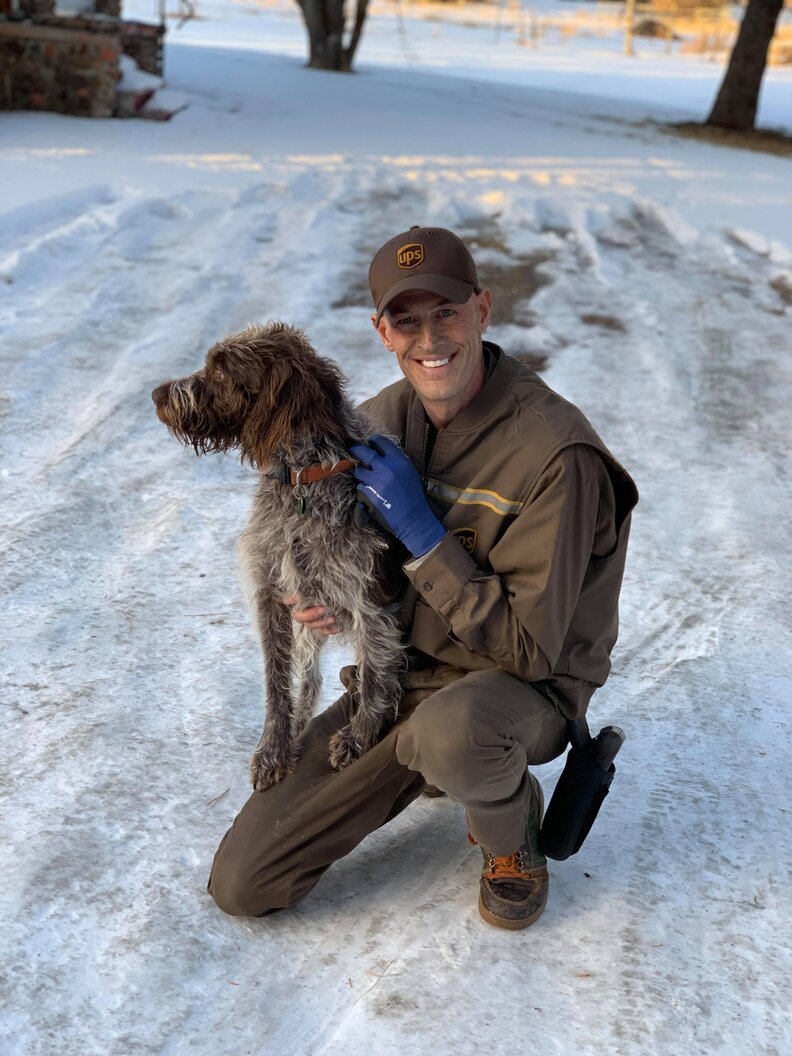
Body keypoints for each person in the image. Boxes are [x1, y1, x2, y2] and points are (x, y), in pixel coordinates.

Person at [207, 226, 638, 930]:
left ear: (483, 310)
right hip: (401, 677)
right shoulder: (379, 420)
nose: (428, 338)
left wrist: (423, 533)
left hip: (520, 691)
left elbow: (530, 649)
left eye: (446, 312)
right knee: (244, 883)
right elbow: (353, 573)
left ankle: (511, 836)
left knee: (454, 732)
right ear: (382, 331)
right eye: (406, 319)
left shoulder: (556, 453)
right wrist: (325, 600)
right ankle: (434, 763)